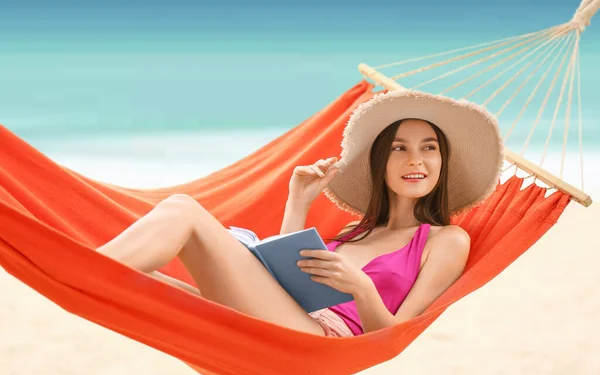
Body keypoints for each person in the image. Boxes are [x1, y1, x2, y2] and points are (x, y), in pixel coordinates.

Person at [96, 90, 504, 337]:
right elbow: (286, 283)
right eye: (399, 147)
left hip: (315, 339)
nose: (415, 159)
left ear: (441, 161)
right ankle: (87, 268)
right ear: (381, 161)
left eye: (428, 147)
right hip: (284, 316)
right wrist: (298, 203)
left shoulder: (446, 240)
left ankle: (85, 269)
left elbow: (395, 336)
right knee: (140, 276)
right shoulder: (351, 232)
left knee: (184, 211)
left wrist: (362, 290)